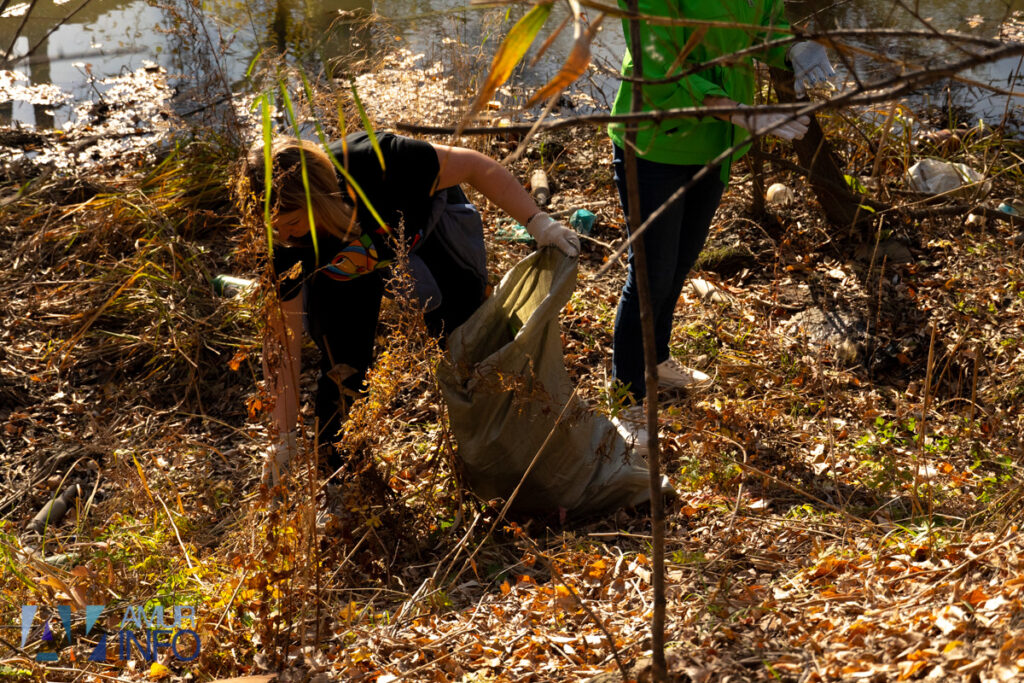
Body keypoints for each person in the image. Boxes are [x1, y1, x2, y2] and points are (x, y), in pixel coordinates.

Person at [237, 131, 581, 484]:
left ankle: (513, 443)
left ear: (320, 196)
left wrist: (538, 222)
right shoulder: (283, 243)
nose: (287, 238)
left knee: (469, 336)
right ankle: (341, 477)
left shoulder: (379, 161)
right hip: (346, 268)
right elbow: (284, 342)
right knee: (341, 367)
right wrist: (283, 436)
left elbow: (475, 167)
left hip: (424, 231)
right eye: (275, 229)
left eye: (293, 224)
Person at [606, 0, 834, 451]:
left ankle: (657, 361)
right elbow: (659, 72)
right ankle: (626, 394)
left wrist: (795, 49)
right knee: (650, 274)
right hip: (655, 145)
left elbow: (759, 28)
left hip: (712, 147)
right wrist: (741, 112)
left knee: (680, 263)